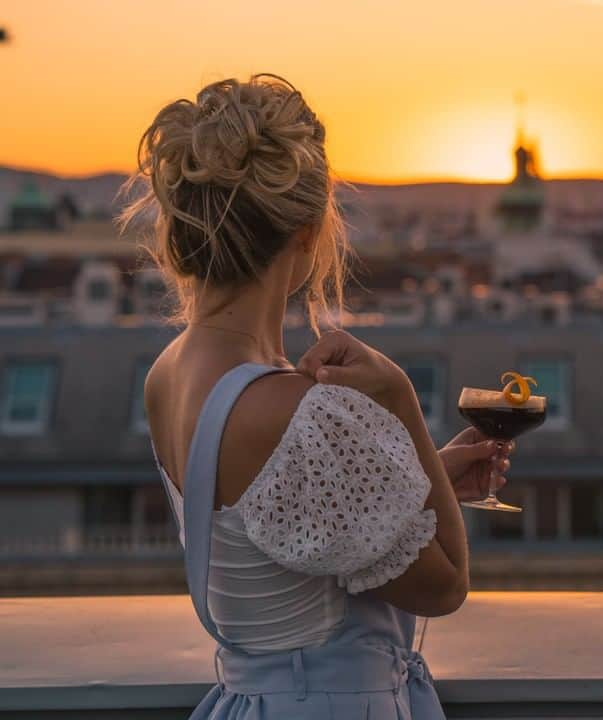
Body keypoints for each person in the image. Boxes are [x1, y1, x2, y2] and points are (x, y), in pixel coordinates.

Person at [123, 74, 510, 719]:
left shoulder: (167, 372)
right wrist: (400, 400)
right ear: (306, 230)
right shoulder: (297, 415)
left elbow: (273, 524)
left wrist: (422, 477)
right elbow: (446, 584)